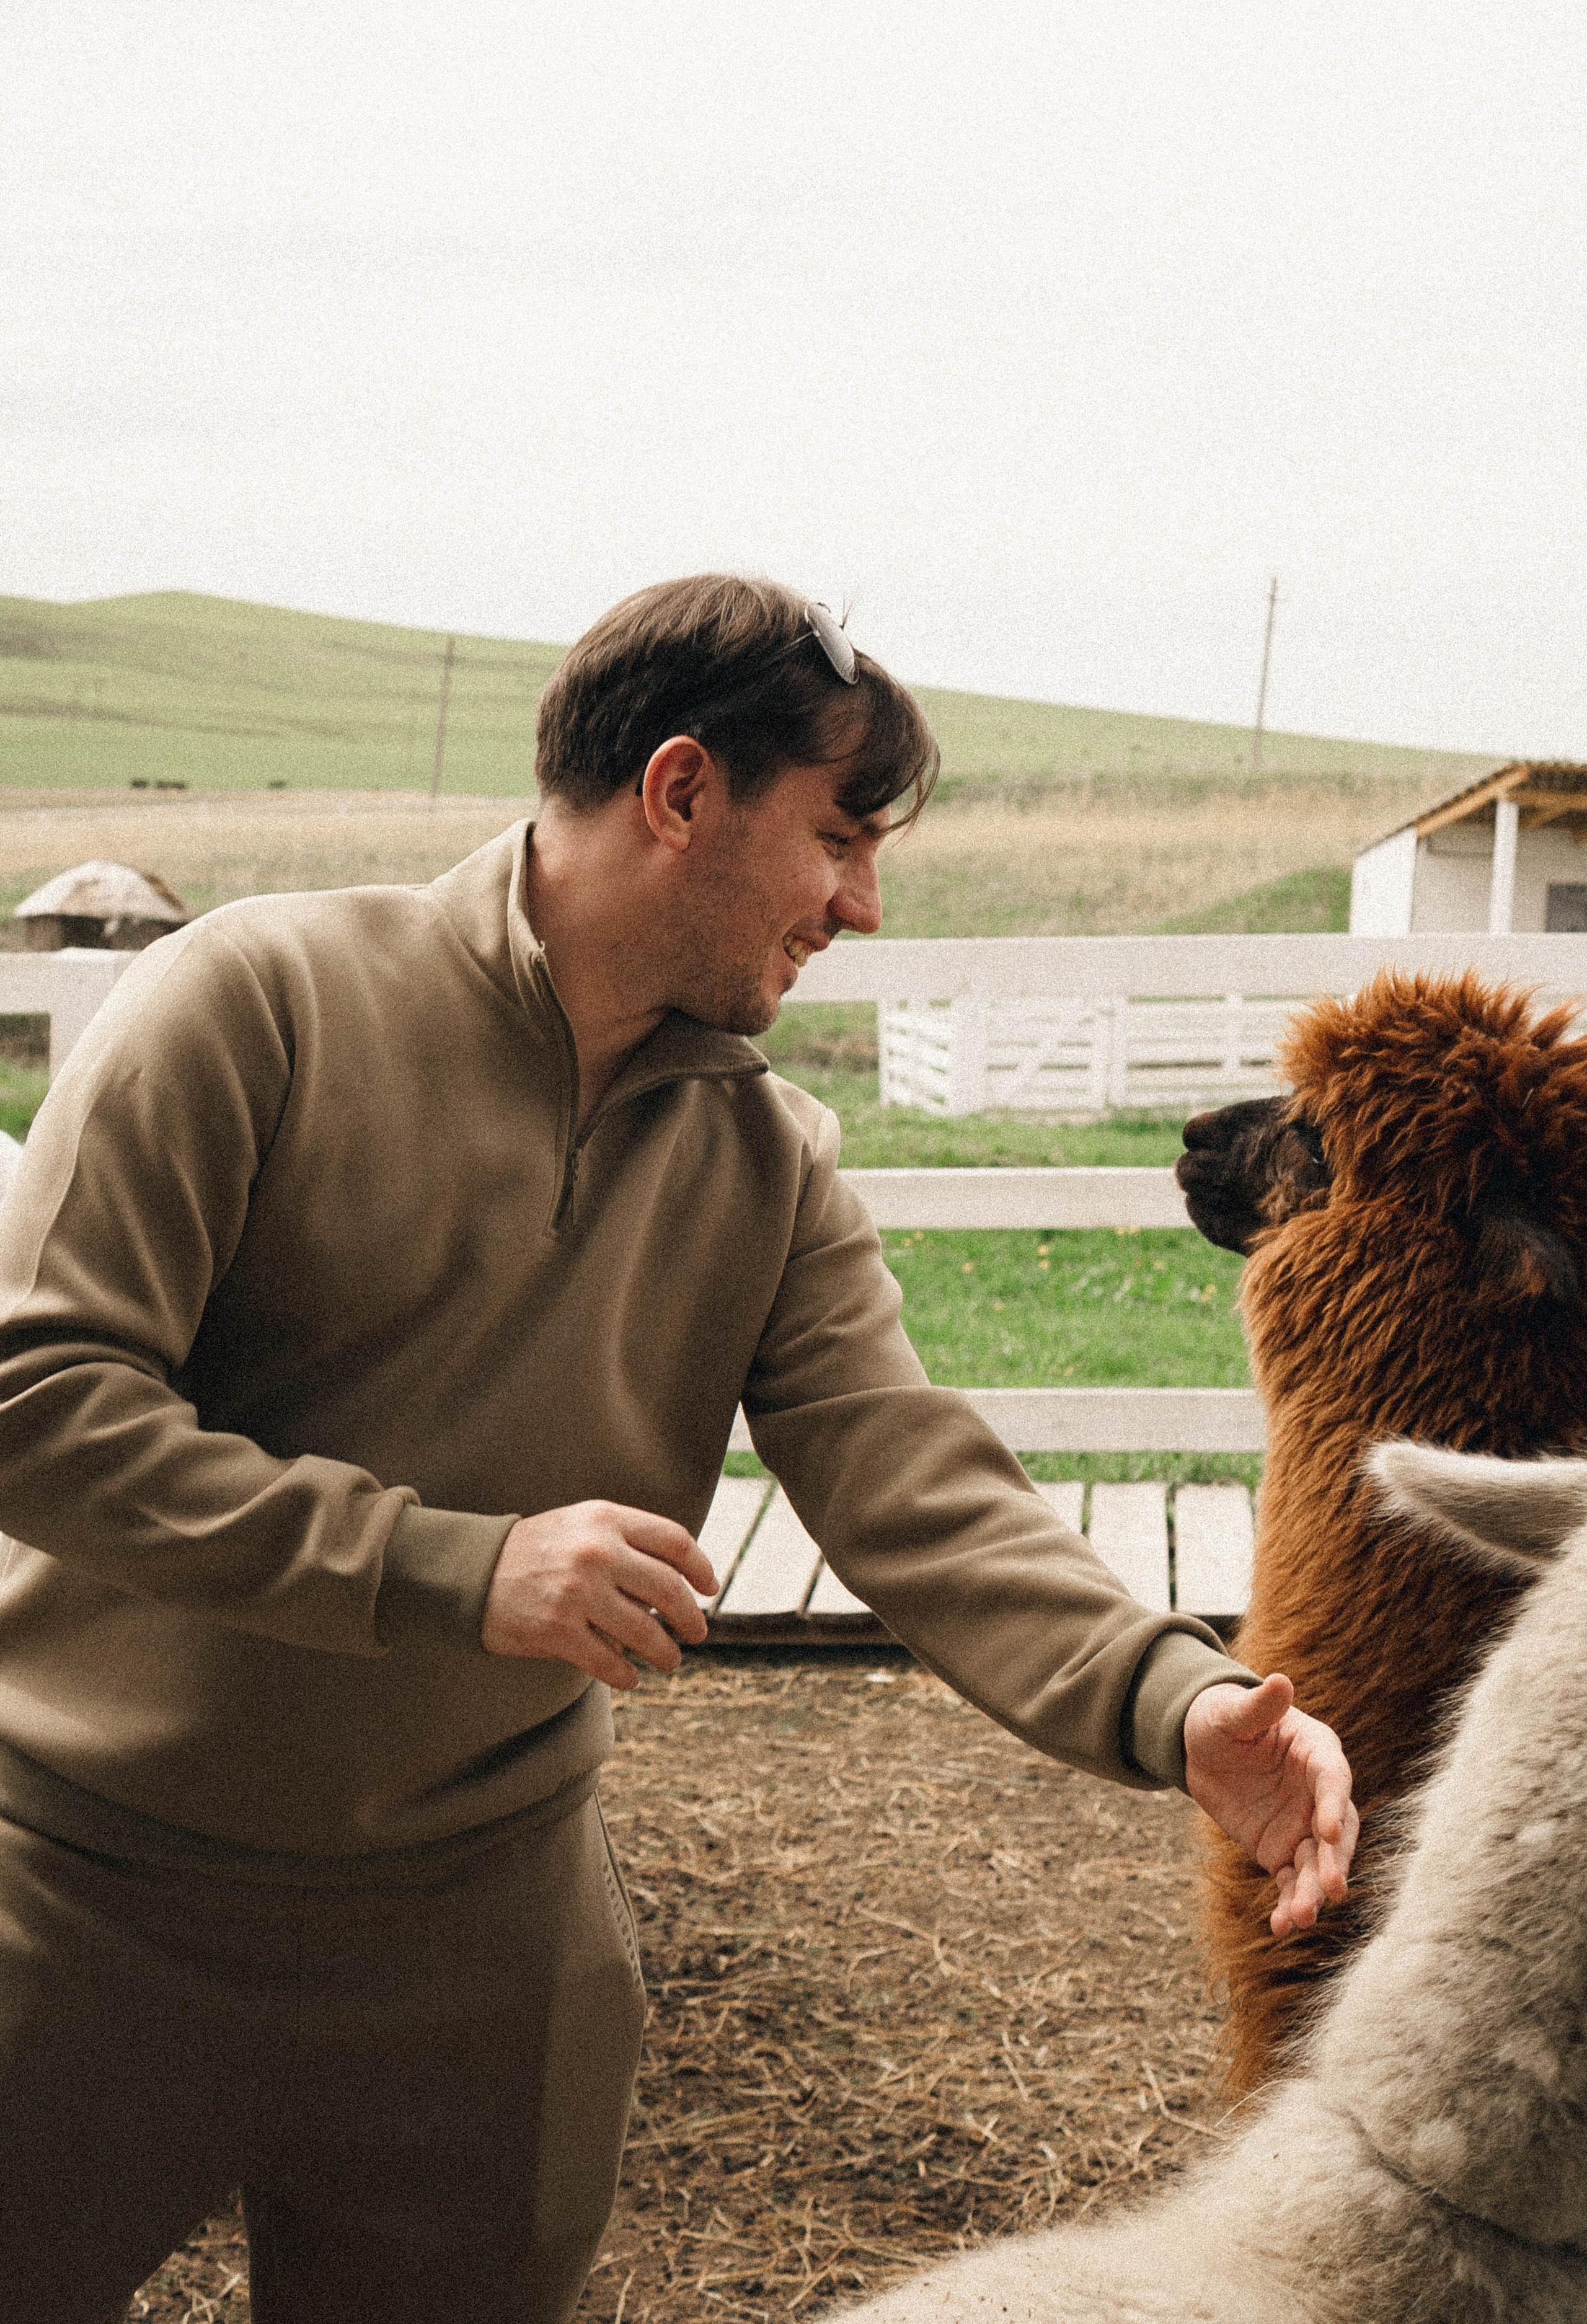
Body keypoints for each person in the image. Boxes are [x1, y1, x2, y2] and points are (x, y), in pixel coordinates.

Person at [0, 575, 1356, 2324]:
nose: (863, 905)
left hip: (485, 1950)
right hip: (87, 1904)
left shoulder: (768, 1157)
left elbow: (910, 1482)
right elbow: (39, 1404)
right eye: (841, 838)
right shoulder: (253, 1002)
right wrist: (454, 1565)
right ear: (681, 791)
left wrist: (1179, 1706)